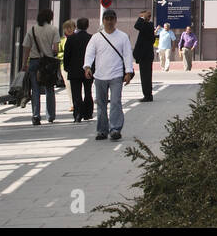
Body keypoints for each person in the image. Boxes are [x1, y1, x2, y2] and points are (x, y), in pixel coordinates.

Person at [83, 9, 135, 141]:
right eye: (107, 19)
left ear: (115, 20)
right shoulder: (96, 37)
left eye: (112, 19)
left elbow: (127, 54)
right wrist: (87, 67)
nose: (109, 21)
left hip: (116, 75)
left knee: (115, 102)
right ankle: (101, 130)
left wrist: (128, 71)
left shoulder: (122, 37)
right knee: (101, 104)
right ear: (103, 21)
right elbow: (89, 53)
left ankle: (115, 129)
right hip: (99, 76)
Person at [21, 9, 60, 125]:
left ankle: (36, 115)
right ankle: (50, 115)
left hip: (34, 62)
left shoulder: (32, 29)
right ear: (50, 18)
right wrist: (50, 52)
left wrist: (24, 63)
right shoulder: (53, 29)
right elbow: (56, 49)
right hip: (47, 63)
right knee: (49, 88)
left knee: (35, 89)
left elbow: (26, 47)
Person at [64, 18, 94, 122]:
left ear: (77, 26)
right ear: (87, 26)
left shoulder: (71, 38)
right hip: (88, 69)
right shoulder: (91, 38)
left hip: (74, 70)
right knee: (88, 91)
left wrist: (66, 67)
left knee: (76, 93)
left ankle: (77, 114)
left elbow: (66, 55)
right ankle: (88, 113)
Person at [132, 10, 156, 101]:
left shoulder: (148, 25)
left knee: (145, 76)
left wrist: (142, 17)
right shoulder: (148, 26)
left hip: (145, 56)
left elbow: (136, 25)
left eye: (141, 17)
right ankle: (147, 94)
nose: (140, 18)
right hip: (145, 55)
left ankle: (147, 95)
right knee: (146, 76)